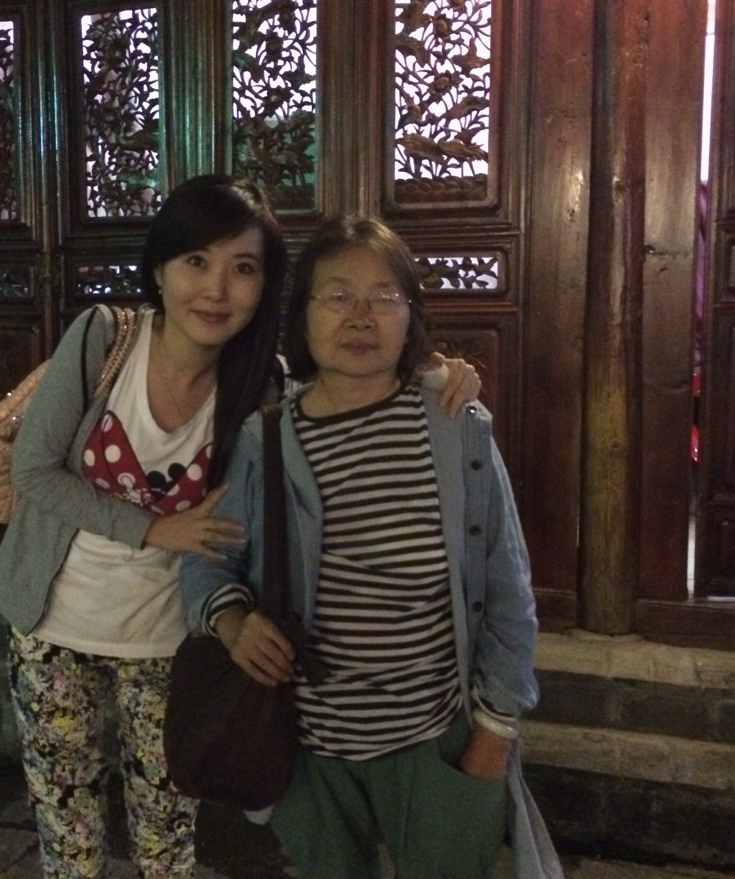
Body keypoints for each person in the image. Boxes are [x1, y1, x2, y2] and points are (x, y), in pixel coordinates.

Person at [0, 178, 484, 879]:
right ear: (161, 268)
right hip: (52, 628)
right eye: (197, 261)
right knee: (68, 843)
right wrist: (155, 530)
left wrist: (436, 372)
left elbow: (349, 381)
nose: (216, 289)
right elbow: (35, 472)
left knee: (167, 844)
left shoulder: (263, 384)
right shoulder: (103, 339)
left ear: (265, 286)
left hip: (167, 641)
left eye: (243, 268)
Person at [180, 214, 562, 879]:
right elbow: (207, 558)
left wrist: (494, 732)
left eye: (384, 297)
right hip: (308, 747)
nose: (360, 316)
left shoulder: (456, 427)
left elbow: (507, 585)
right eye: (336, 295)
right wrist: (233, 622)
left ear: (410, 317)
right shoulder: (266, 441)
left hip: (439, 740)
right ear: (302, 318)